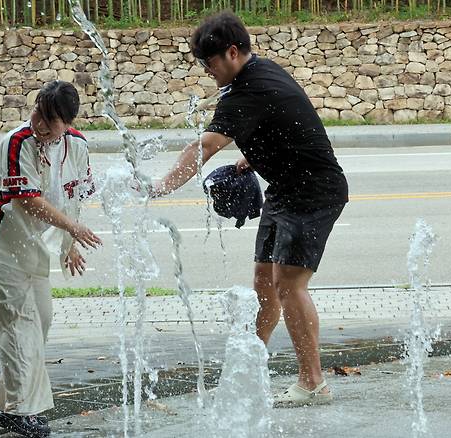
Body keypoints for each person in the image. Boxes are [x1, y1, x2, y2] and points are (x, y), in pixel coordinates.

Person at [150, 11, 349, 407]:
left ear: (233, 52)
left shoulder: (249, 89)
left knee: (289, 284)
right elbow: (286, 121)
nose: (206, 71)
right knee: (264, 277)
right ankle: (250, 365)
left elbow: (202, 147)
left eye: (209, 63)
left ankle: (313, 383)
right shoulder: (258, 74)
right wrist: (253, 158)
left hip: (313, 192)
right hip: (286, 188)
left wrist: (158, 187)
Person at [0, 80, 102, 437]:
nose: (40, 124)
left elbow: (73, 197)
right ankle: (20, 411)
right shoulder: (17, 141)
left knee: (40, 321)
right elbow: (28, 200)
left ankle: (8, 405)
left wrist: (70, 243)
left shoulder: (79, 147)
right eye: (38, 112)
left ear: (68, 123)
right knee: (19, 324)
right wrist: (74, 227)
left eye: (50, 120)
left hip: (30, 250)